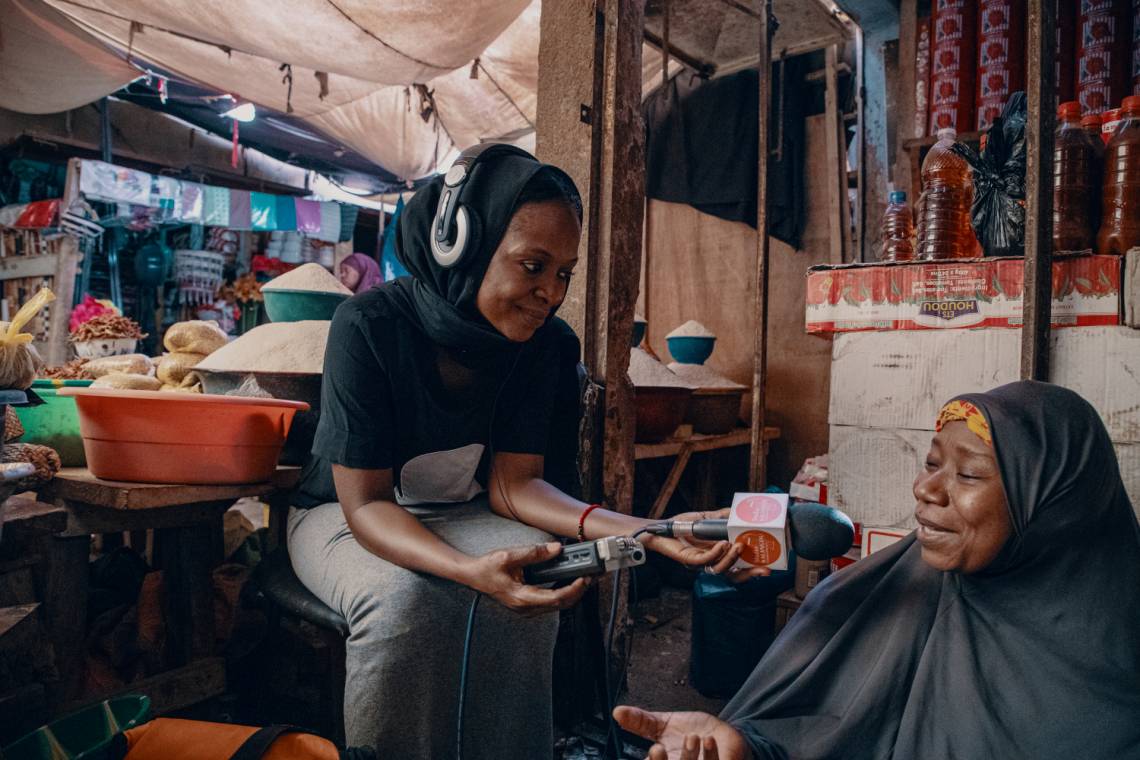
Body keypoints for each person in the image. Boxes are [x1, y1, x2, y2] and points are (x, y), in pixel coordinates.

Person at [287, 145, 757, 759]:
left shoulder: (545, 346)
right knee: (408, 602)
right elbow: (367, 505)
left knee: (534, 582)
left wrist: (649, 529)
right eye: (533, 266)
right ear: (461, 242)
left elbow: (515, 486)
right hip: (341, 516)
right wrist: (462, 569)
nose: (550, 293)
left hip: (459, 511)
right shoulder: (369, 326)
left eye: (562, 273)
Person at [616, 380, 1140, 759]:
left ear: (1052, 507)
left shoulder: (1115, 677)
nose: (926, 490)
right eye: (933, 463)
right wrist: (748, 751)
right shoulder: (893, 592)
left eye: (970, 473)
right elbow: (819, 733)